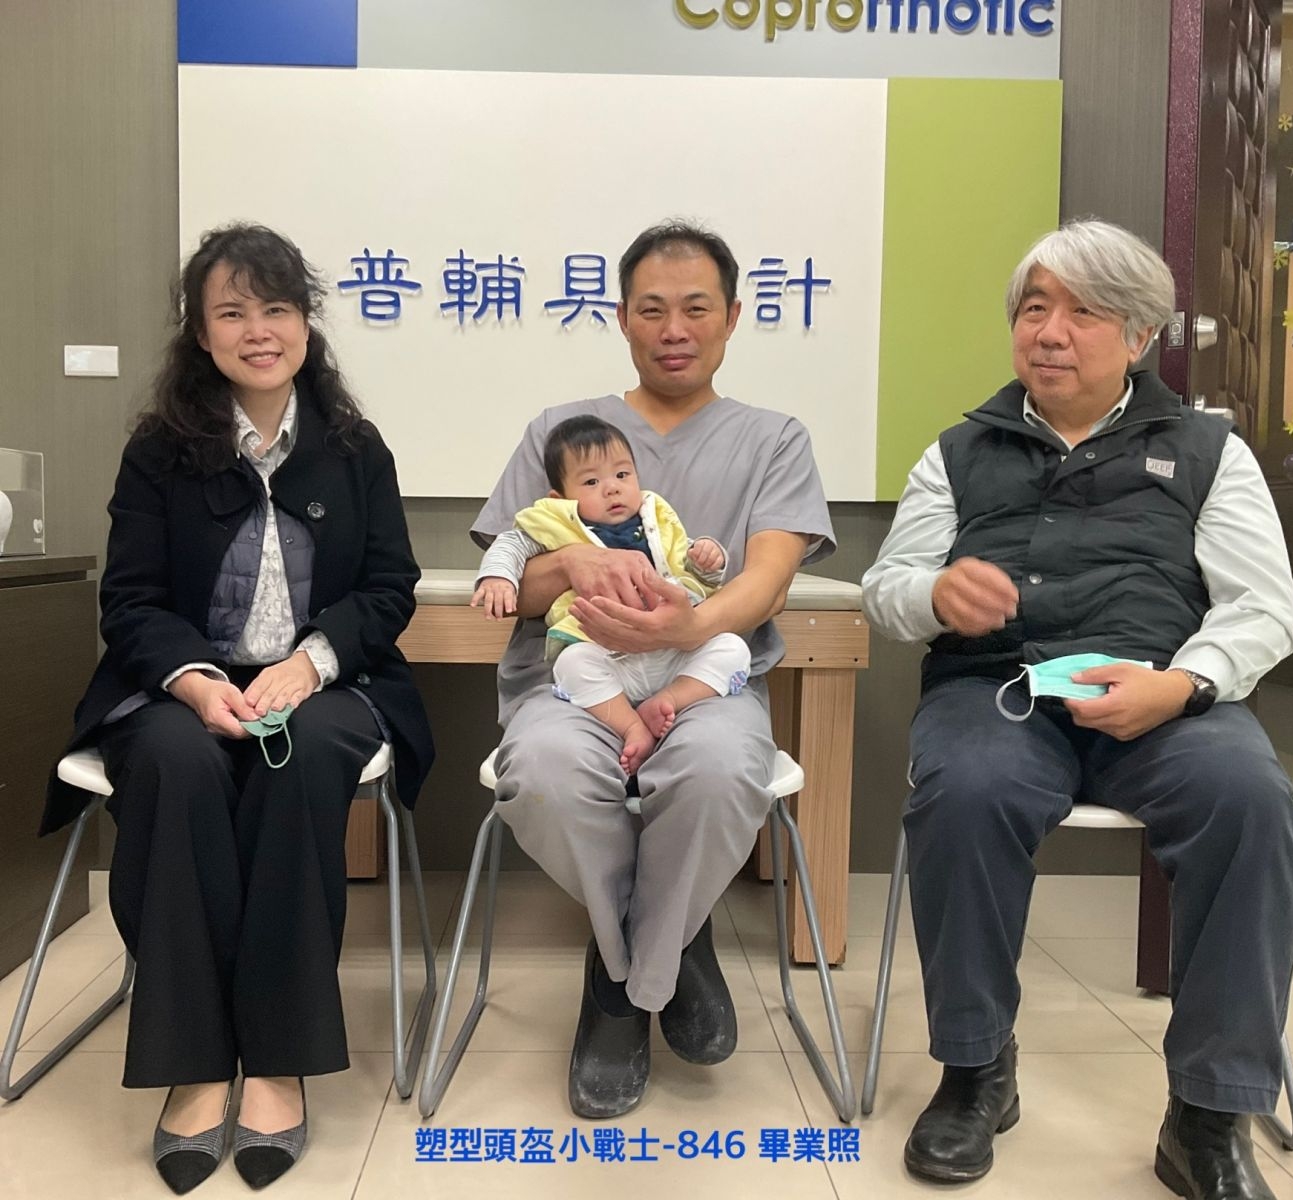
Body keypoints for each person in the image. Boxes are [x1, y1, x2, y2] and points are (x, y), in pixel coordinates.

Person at [861, 219, 1293, 1199]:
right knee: (965, 792)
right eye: (1034, 309)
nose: (1049, 332)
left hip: (1163, 693)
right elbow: (886, 591)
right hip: (998, 690)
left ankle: (1208, 1114)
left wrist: (1182, 685)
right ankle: (976, 1071)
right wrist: (934, 595)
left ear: (1140, 336)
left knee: (1249, 801)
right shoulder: (957, 453)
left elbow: (1263, 608)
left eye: (1084, 313)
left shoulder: (1208, 451)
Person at [42, 223, 435, 1194]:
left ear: (306, 321)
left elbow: (389, 588)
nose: (259, 331)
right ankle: (192, 1062)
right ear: (200, 332)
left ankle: (277, 1060)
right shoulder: (159, 452)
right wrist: (192, 680)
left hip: (327, 684)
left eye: (277, 308)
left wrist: (310, 663)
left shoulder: (354, 448)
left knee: (302, 764)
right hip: (180, 683)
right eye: (232, 312)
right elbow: (130, 599)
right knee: (173, 764)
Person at [471, 220, 834, 1119]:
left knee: (718, 772)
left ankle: (618, 986)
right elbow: (516, 586)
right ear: (622, 318)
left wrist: (688, 622)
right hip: (576, 680)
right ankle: (666, 946)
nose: (674, 329)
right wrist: (570, 566)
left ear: (732, 317)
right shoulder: (560, 432)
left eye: (696, 309)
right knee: (544, 774)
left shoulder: (773, 438)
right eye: (652, 309)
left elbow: (767, 579)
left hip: (701, 681)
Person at [472, 414, 751, 775]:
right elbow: (510, 545)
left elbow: (688, 566)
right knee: (571, 664)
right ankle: (631, 726)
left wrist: (708, 559)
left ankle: (668, 700)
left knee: (733, 649)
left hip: (673, 652)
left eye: (622, 475)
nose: (612, 489)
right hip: (607, 654)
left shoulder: (655, 518)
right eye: (591, 481)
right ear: (560, 497)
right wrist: (498, 577)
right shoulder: (556, 524)